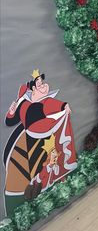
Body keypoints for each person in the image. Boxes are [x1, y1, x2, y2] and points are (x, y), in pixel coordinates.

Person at [4, 70, 77, 216]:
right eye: (40, 84)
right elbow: (10, 120)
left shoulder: (45, 102)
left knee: (50, 161)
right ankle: (37, 189)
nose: (44, 86)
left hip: (47, 135)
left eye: (43, 83)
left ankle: (55, 180)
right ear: (33, 89)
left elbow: (54, 105)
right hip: (32, 138)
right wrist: (11, 111)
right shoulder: (24, 105)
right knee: (36, 166)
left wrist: (64, 106)